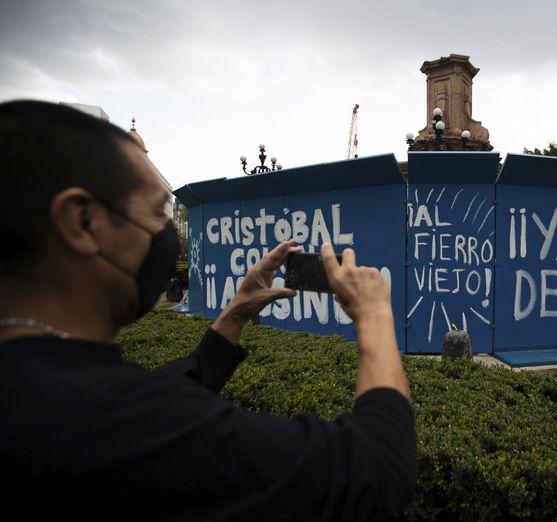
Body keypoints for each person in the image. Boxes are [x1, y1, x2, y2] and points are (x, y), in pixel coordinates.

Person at [0, 101, 415, 520]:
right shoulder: (104, 423)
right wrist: (375, 314)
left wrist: (232, 316)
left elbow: (163, 394)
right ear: (83, 221)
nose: (167, 235)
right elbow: (378, 470)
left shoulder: (36, 387)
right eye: (151, 213)